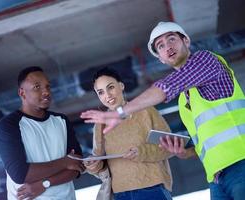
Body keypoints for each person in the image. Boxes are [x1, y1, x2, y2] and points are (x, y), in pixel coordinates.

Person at [81, 22, 245, 200]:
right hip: (216, 178)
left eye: (172, 39)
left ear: (186, 41)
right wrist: (184, 153)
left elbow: (168, 85)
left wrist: (119, 112)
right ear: (160, 58)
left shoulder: (207, 60)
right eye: (161, 46)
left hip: (240, 164)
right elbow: (205, 145)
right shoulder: (184, 101)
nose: (168, 47)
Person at [0, 66, 85, 200]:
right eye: (37, 87)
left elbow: (77, 167)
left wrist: (45, 183)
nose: (46, 92)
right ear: (22, 93)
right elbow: (20, 174)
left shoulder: (61, 121)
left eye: (48, 87)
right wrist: (65, 162)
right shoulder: (8, 126)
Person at [84, 67, 173, 200]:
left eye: (111, 87)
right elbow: (100, 164)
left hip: (152, 188)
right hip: (121, 194)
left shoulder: (145, 110)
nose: (107, 95)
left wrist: (142, 152)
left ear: (121, 86)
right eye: (100, 92)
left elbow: (170, 146)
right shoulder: (100, 124)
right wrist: (92, 165)